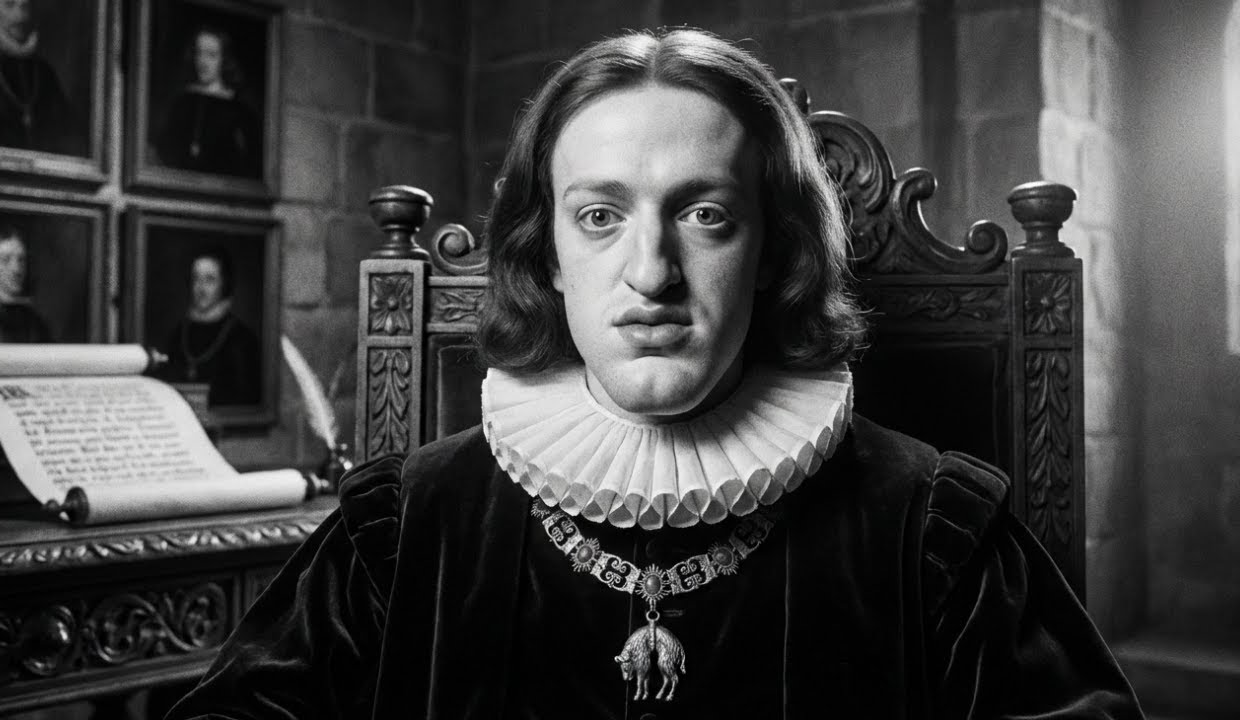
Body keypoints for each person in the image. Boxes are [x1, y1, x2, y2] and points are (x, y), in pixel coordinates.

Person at [166, 29, 1144, 719]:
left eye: (704, 215)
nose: (650, 272)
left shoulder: (938, 532)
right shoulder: (397, 530)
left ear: (772, 250)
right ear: (547, 252)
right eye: (599, 216)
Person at [0, 0, 85, 155]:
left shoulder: (42, 71)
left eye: (24, 7)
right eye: (10, 5)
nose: (21, 16)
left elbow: (67, 135)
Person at [157, 248, 261, 407]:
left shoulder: (242, 338)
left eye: (210, 280)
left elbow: (246, 398)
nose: (201, 288)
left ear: (224, 284)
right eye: (196, 279)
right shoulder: (178, 333)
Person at [153, 25, 261, 178]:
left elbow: (247, 160)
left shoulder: (240, 110)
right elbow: (165, 149)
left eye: (211, 55)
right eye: (199, 53)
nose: (203, 62)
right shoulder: (182, 102)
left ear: (224, 59)